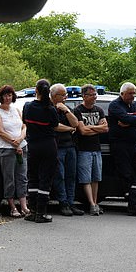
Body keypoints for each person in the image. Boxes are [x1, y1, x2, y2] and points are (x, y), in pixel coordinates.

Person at [107, 82, 136, 216]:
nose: (133, 96)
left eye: (134, 93)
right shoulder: (114, 105)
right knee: (127, 175)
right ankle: (135, 205)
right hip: (120, 146)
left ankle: (135, 202)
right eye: (130, 93)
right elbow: (124, 118)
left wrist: (132, 121)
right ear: (122, 94)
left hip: (135, 145)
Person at [22, 79, 60, 223]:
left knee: (33, 177)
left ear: (36, 90)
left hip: (33, 145)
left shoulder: (28, 107)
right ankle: (41, 213)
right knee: (46, 178)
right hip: (49, 145)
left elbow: (24, 122)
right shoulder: (50, 109)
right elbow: (55, 125)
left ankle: (32, 211)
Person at [0, 85, 30, 218]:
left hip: (21, 146)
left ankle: (24, 206)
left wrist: (20, 139)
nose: (8, 98)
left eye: (10, 95)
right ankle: (12, 206)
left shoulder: (16, 110)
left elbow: (24, 126)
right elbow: (0, 131)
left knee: (22, 177)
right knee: (9, 178)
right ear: (0, 97)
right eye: (5, 95)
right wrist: (14, 142)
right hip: (5, 148)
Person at [73, 84, 108, 216]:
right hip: (83, 149)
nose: (95, 97)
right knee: (85, 178)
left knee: (96, 178)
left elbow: (105, 129)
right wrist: (97, 128)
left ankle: (94, 202)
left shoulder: (99, 110)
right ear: (84, 96)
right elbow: (82, 131)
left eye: (95, 95)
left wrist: (90, 128)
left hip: (97, 149)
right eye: (92, 95)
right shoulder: (77, 110)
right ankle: (92, 204)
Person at [50, 83, 84, 216]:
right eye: (63, 95)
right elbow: (55, 126)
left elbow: (76, 123)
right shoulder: (50, 108)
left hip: (71, 147)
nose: (65, 97)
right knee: (60, 176)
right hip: (57, 147)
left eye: (66, 95)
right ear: (54, 96)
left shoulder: (67, 108)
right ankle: (63, 203)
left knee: (71, 176)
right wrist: (70, 129)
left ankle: (71, 202)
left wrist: (66, 111)